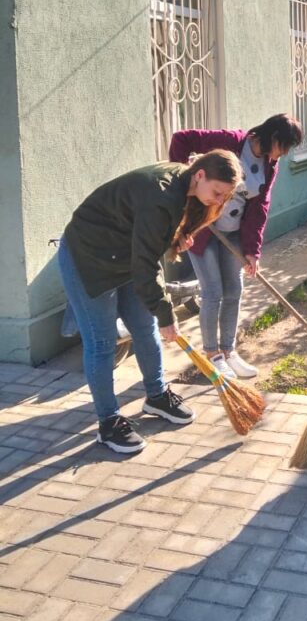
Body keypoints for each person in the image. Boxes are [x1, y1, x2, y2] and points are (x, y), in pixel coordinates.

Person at [58, 149, 243, 455]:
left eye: (224, 196)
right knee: (102, 342)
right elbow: (146, 263)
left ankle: (156, 396)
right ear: (200, 175)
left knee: (145, 328)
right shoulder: (162, 195)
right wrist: (166, 313)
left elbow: (145, 239)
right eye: (217, 193)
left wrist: (174, 237)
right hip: (88, 256)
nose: (218, 201)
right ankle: (108, 423)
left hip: (123, 255)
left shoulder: (185, 186)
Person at [169, 115, 302, 380]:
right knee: (213, 291)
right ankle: (212, 356)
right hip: (204, 230)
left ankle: (228, 351)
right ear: (273, 136)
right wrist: (183, 186)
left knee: (234, 290)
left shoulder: (270, 165)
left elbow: (260, 206)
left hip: (234, 234)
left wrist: (253, 250)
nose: (285, 153)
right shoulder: (230, 141)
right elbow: (181, 139)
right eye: (285, 146)